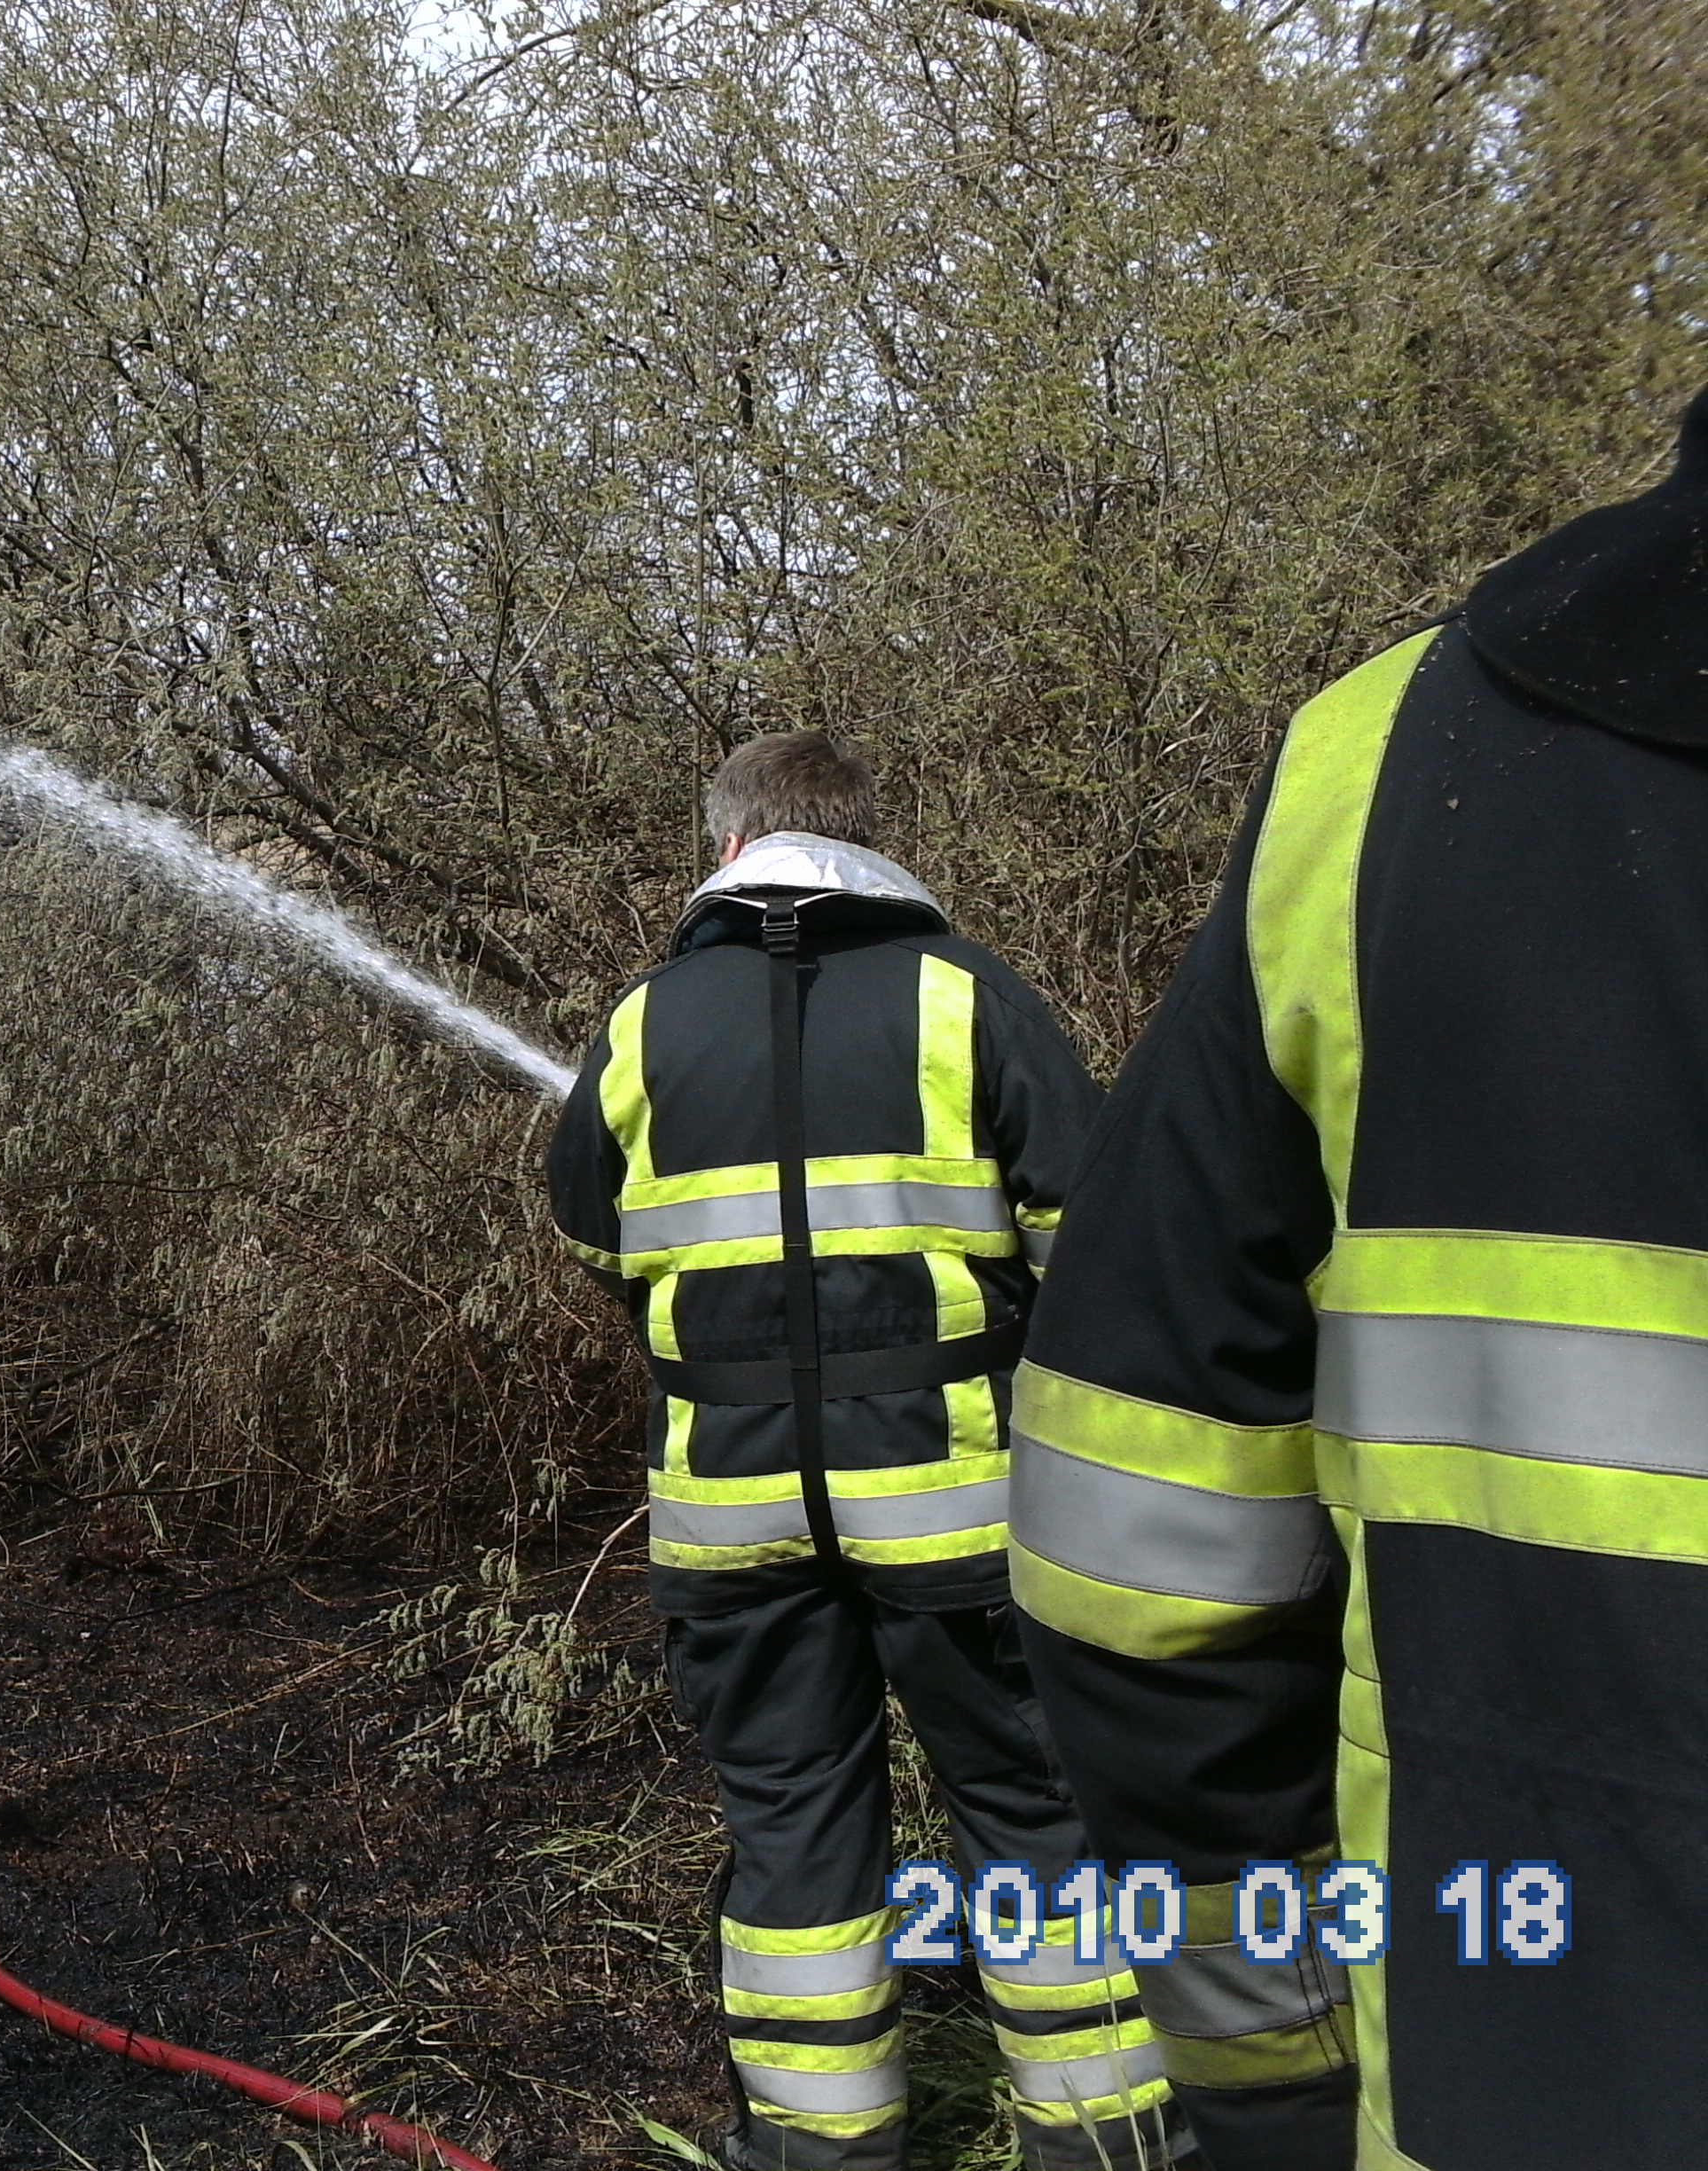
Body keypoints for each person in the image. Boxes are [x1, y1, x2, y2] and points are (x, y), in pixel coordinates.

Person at [1008, 383, 1708, 2171]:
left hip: (1498, 2077)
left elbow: (1133, 1540)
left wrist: (1272, 2075)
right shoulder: (964, 1002)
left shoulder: (1386, 768)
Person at [550, 735, 1190, 2171]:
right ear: (865, 834)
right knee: (1034, 1811)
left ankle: (824, 2148)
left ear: (724, 848)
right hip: (961, 1510)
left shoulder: (645, 1023)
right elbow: (1094, 1244)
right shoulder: (971, 997)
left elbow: (597, 1239)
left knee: (791, 1829)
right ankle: (1106, 2143)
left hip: (731, 1515)